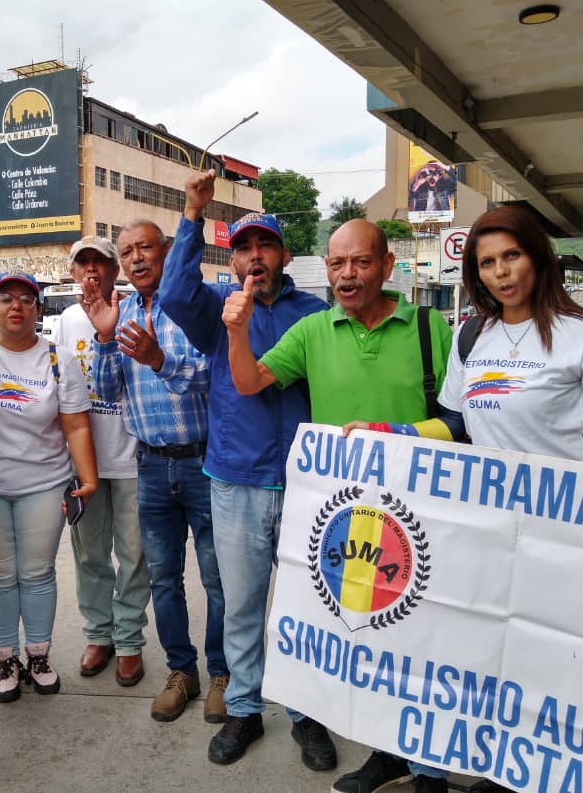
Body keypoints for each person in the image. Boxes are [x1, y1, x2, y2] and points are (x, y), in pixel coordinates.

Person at [342, 205, 583, 793]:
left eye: (511, 256)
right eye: (487, 263)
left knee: (547, 658)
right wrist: (389, 434)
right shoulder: (474, 334)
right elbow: (455, 423)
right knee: (475, 647)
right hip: (486, 525)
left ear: (537, 257)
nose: (501, 272)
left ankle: (524, 777)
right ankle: (458, 760)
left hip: (564, 530)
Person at [224, 218, 453, 793]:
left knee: (422, 636)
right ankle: (387, 753)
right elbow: (249, 382)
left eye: (360, 262)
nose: (347, 274)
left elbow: (464, 420)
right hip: (348, 515)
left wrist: (398, 432)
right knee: (364, 630)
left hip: (423, 510)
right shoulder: (312, 331)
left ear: (387, 266)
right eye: (336, 264)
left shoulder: (430, 327)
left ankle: (426, 765)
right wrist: (236, 331)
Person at [159, 171, 336, 769]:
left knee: (305, 607)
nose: (254, 256)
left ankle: (307, 714)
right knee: (240, 604)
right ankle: (243, 708)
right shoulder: (214, 308)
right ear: (231, 259)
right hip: (234, 480)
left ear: (284, 255)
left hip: (307, 486)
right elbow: (174, 292)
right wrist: (191, 213)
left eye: (263, 245)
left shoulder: (314, 313)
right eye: (242, 247)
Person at [84, 220, 228, 724]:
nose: (136, 258)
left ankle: (222, 674)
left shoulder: (195, 305)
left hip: (205, 462)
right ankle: (181, 671)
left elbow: (213, 378)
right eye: (127, 252)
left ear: (167, 252)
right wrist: (105, 338)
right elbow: (104, 390)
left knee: (217, 578)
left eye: (146, 247)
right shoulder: (118, 312)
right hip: (149, 465)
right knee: (164, 578)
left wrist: (160, 359)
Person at [0, 270, 97, 701]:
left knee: (37, 573)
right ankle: (6, 660)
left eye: (27, 299)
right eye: (7, 298)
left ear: (39, 309)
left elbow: (76, 425)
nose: (17, 306)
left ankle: (38, 655)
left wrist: (88, 477)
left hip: (44, 482)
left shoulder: (57, 358)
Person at [55, 238, 150, 686]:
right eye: (84, 263)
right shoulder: (66, 322)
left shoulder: (138, 311)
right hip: (84, 460)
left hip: (131, 457)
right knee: (90, 554)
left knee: (133, 555)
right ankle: (99, 634)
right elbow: (64, 398)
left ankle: (130, 641)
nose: (92, 271)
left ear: (116, 270)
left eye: (101, 263)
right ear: (73, 271)